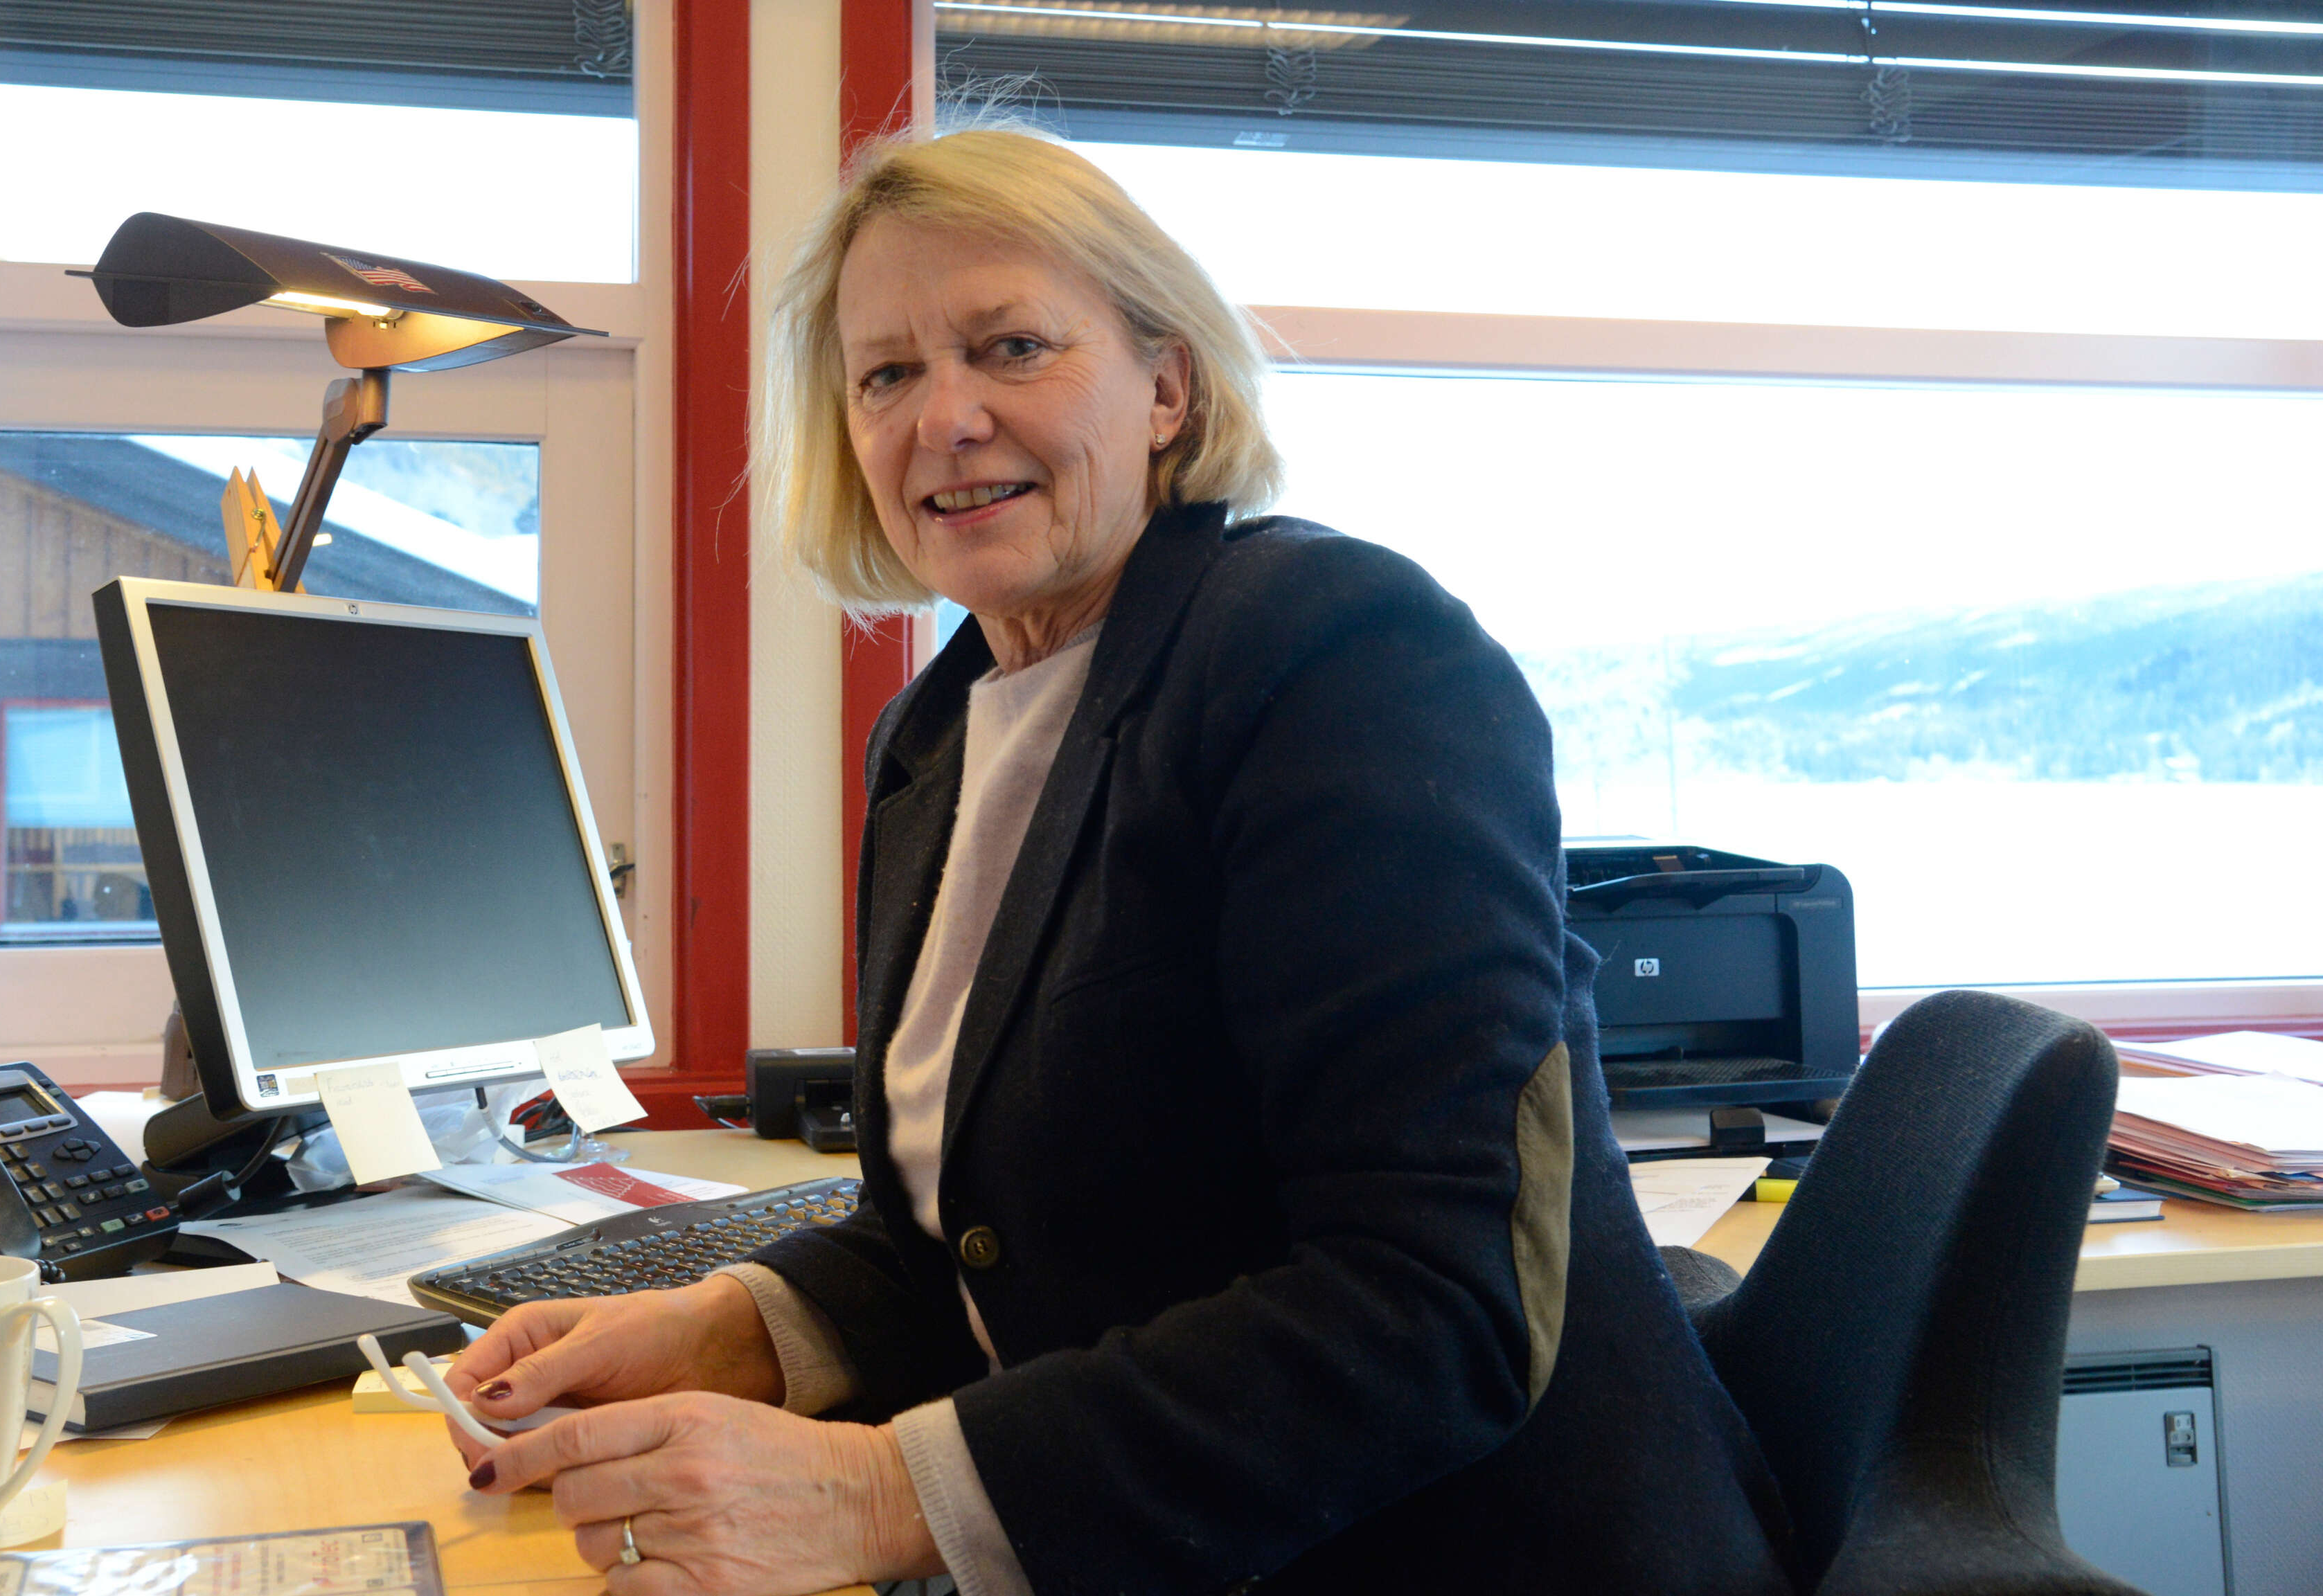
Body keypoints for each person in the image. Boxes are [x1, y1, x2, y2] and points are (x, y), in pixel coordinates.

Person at [442, 126, 1792, 1596]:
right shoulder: (934, 735)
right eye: (885, 374)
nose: (944, 418)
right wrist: (738, 1325)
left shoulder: (1333, 653)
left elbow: (1430, 1303)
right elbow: (973, 1243)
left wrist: (877, 1491)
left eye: (1010, 347)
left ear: (1166, 388)